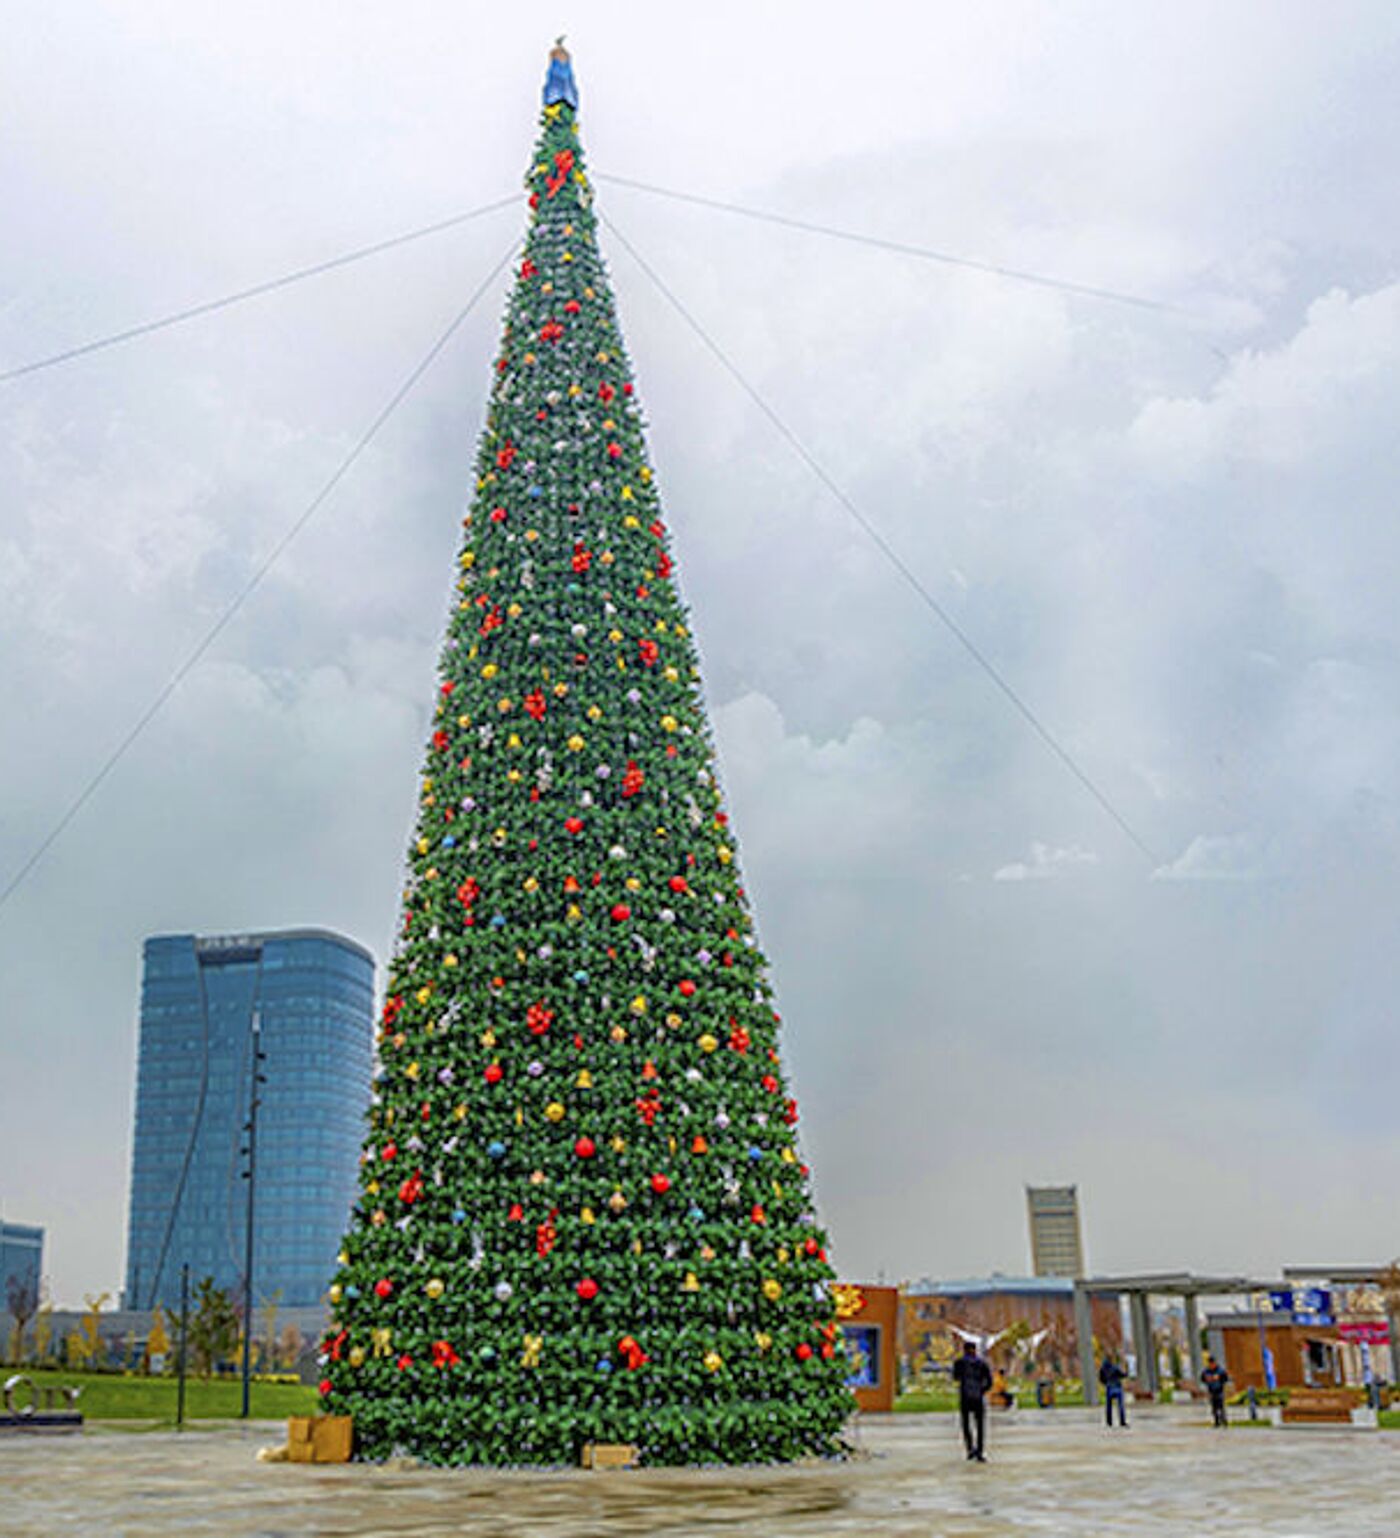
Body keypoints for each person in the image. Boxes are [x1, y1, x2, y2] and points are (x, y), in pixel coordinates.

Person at [952, 1341, 992, 1461]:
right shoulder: (982, 1363)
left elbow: (955, 1377)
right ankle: (980, 1451)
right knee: (980, 1425)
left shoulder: (959, 1363)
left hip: (965, 1396)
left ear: (964, 1350)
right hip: (978, 1397)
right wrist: (981, 1390)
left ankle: (970, 1449)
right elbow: (989, 1381)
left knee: (965, 1423)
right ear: (975, 1350)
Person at [1099, 1353, 1128, 1427]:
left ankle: (1109, 1422)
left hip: (1109, 1388)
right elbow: (1123, 1375)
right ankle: (1122, 1421)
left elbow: (1101, 1379)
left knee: (1108, 1406)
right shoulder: (1115, 1367)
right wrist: (1126, 1369)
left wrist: (1106, 1383)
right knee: (1120, 1405)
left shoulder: (1102, 1369)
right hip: (1117, 1387)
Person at [1201, 1354, 1230, 1427]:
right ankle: (1216, 1421)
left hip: (1219, 1390)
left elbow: (1225, 1378)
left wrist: (1219, 1378)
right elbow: (1202, 1379)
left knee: (1221, 1406)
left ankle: (1224, 1420)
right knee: (1214, 1408)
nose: (1211, 1364)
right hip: (1211, 1391)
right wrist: (1207, 1379)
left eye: (1212, 1363)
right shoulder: (1206, 1371)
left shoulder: (1220, 1370)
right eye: (1210, 1363)